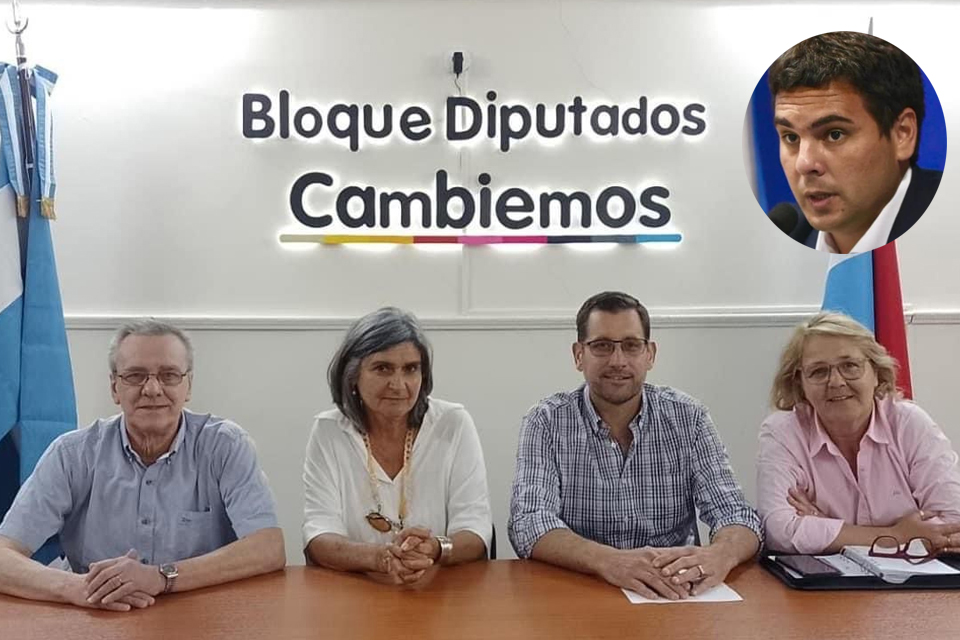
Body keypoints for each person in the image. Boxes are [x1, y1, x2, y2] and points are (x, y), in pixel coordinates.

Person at [0, 319, 284, 611]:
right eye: (135, 376)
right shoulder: (72, 455)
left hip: (199, 615)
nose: (152, 389)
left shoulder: (226, 446)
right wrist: (76, 586)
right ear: (114, 387)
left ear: (188, 386)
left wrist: (162, 577)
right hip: (95, 613)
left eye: (169, 375)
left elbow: (268, 547)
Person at [508, 291, 761, 600]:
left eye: (631, 346)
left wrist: (719, 555)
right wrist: (608, 561)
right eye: (602, 346)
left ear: (649, 354)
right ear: (579, 355)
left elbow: (735, 514)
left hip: (672, 594)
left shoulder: (688, 417)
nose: (618, 361)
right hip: (581, 590)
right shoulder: (546, 421)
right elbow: (529, 521)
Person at [303, 307, 492, 585]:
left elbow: (476, 531)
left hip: (439, 592)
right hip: (357, 592)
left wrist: (435, 549)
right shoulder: (329, 431)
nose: (398, 384)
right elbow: (319, 537)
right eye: (383, 368)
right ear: (353, 375)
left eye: (411, 369)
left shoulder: (453, 423)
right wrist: (381, 558)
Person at [758, 312, 960, 555]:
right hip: (826, 579)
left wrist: (827, 528)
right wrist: (896, 535)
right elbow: (778, 530)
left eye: (850, 366)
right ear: (799, 383)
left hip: (919, 575)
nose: (836, 382)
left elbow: (952, 523)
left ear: (876, 373)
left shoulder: (910, 424)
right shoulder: (783, 433)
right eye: (818, 371)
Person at [768, 31, 942, 254]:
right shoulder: (786, 238)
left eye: (834, 134)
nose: (804, 164)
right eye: (791, 137)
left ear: (902, 133)